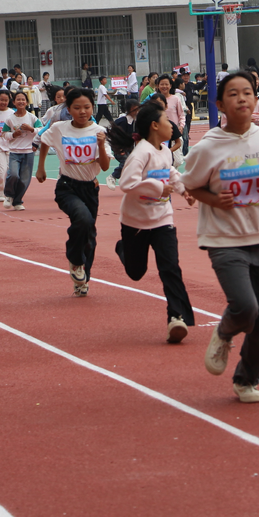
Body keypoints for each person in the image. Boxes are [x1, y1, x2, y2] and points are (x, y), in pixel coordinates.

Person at [182, 72, 259, 403]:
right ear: (220, 104)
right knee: (245, 308)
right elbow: (191, 185)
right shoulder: (208, 147)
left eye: (248, 92)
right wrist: (215, 199)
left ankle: (247, 378)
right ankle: (224, 332)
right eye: (233, 94)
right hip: (224, 238)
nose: (243, 99)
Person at [107, 101, 197, 342]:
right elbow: (127, 184)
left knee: (171, 268)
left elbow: (170, 172)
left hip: (162, 219)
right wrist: (160, 188)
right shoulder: (141, 153)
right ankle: (123, 248)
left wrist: (182, 190)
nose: (172, 126)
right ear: (155, 126)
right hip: (136, 222)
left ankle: (176, 318)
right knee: (136, 272)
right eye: (168, 121)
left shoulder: (165, 150)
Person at [37, 88, 110, 295]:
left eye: (87, 107)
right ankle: (75, 260)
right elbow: (44, 141)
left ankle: (83, 279)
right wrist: (40, 166)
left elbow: (104, 167)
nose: (82, 111)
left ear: (92, 108)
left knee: (90, 235)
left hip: (90, 188)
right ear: (69, 109)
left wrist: (102, 146)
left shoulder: (98, 132)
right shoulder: (60, 128)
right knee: (83, 219)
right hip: (67, 187)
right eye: (77, 108)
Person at [2, 90, 40, 210]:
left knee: (24, 179)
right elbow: (4, 134)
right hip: (14, 152)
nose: (21, 101)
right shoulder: (10, 119)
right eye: (18, 99)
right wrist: (14, 134)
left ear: (27, 102)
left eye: (23, 99)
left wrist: (31, 129)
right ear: (14, 102)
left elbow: (42, 131)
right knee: (13, 174)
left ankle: (17, 201)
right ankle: (8, 195)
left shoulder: (32, 118)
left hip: (29, 152)